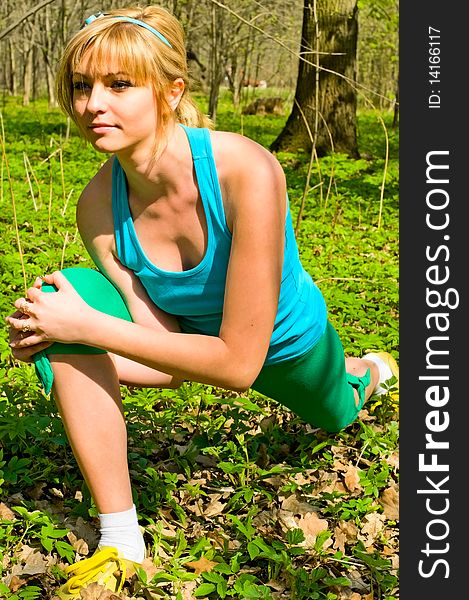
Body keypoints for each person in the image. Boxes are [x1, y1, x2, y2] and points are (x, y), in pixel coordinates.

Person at [6, 6, 399, 598]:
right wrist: (60, 342)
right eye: (81, 86)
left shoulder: (245, 168)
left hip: (286, 348)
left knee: (338, 411)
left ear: (170, 92)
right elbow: (165, 358)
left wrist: (88, 330)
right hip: (194, 346)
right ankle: (121, 539)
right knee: (64, 297)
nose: (93, 104)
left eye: (119, 85)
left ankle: (368, 370)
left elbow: (240, 367)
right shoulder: (97, 207)